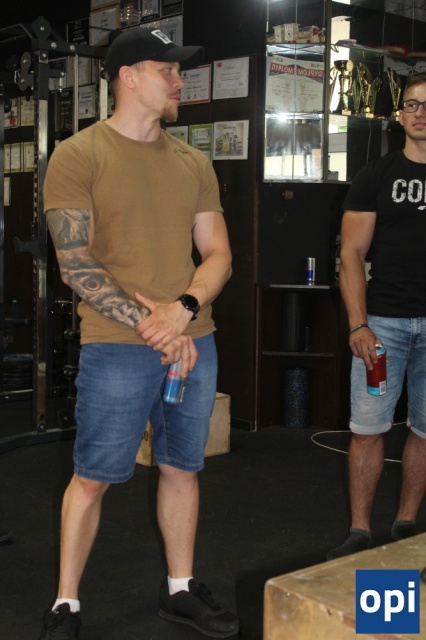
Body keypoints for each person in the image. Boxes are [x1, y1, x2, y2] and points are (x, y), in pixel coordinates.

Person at [39, 28, 238, 639]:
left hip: (192, 340)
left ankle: (180, 589)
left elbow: (218, 254)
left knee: (182, 468)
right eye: (166, 70)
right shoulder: (78, 155)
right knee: (93, 477)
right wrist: (155, 325)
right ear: (127, 77)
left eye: (179, 71)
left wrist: (183, 311)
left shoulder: (193, 162)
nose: (180, 81)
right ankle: (65, 604)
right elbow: (75, 264)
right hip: (116, 346)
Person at [327, 72, 426, 561]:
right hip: (383, 323)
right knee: (368, 429)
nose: (420, 113)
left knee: (425, 430)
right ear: (400, 114)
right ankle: (360, 530)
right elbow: (351, 254)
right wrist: (358, 323)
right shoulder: (375, 176)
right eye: (412, 104)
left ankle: (405, 522)